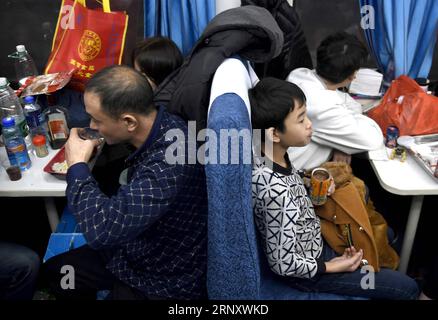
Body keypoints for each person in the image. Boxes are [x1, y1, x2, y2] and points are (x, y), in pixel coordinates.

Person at [43, 65, 208, 300]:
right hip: (134, 245)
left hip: (161, 275)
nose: (92, 127)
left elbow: (102, 230)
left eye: (97, 120)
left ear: (129, 122)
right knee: (60, 273)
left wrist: (77, 165)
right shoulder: (163, 123)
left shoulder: (169, 165)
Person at [249, 77, 419, 300]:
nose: (310, 124)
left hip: (317, 239)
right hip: (312, 272)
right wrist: (333, 266)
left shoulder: (273, 155)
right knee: (407, 289)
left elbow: (290, 193)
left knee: (384, 233)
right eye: (301, 120)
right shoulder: (275, 191)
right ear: (274, 133)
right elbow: (284, 263)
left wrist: (309, 184)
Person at [286, 32, 383, 170]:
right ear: (352, 77)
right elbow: (372, 139)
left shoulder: (300, 75)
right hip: (286, 178)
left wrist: (342, 142)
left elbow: (351, 104)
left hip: (270, 157)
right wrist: (345, 140)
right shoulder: (322, 107)